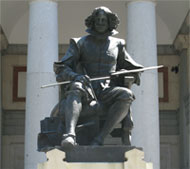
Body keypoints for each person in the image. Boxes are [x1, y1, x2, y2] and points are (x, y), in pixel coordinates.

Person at [53, 6, 143, 147]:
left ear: (109, 23)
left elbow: (133, 67)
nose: (101, 22)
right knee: (76, 86)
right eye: (98, 19)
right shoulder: (79, 43)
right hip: (86, 89)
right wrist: (75, 76)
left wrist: (126, 72)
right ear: (93, 22)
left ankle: (100, 139)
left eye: (104, 20)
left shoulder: (118, 44)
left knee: (127, 94)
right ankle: (70, 135)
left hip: (109, 90)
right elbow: (62, 67)